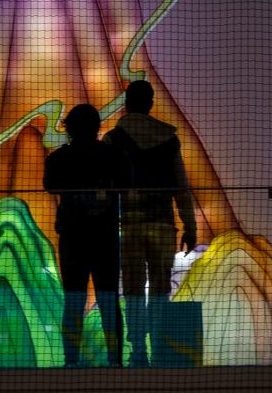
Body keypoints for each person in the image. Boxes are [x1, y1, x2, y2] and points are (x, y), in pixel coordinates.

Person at [104, 80, 197, 368]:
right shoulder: (169, 139)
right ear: (151, 103)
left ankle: (137, 352)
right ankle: (159, 346)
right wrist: (190, 224)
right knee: (159, 286)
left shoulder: (112, 139)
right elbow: (181, 185)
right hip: (162, 224)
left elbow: (107, 188)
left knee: (132, 288)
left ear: (126, 103)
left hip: (128, 225)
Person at [44, 103, 128, 367]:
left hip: (72, 235)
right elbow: (127, 184)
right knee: (108, 297)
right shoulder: (113, 156)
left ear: (69, 128)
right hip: (105, 236)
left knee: (73, 299)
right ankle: (115, 360)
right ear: (96, 126)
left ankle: (71, 360)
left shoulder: (58, 158)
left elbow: (50, 186)